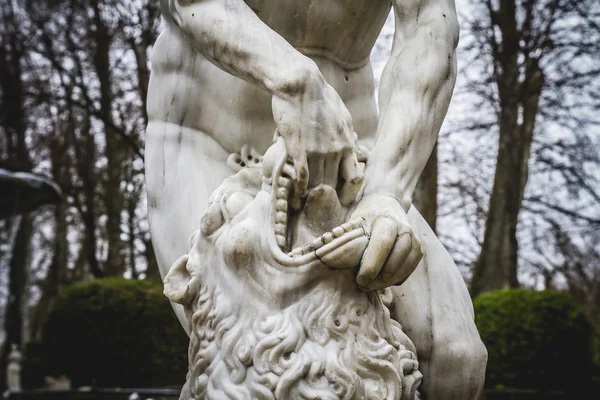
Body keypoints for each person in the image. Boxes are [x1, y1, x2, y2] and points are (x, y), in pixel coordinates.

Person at [146, 0, 487, 398]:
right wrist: (296, 79)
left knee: (454, 357)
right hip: (210, 141)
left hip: (350, 158)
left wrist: (385, 191)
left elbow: (430, 26)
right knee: (252, 360)